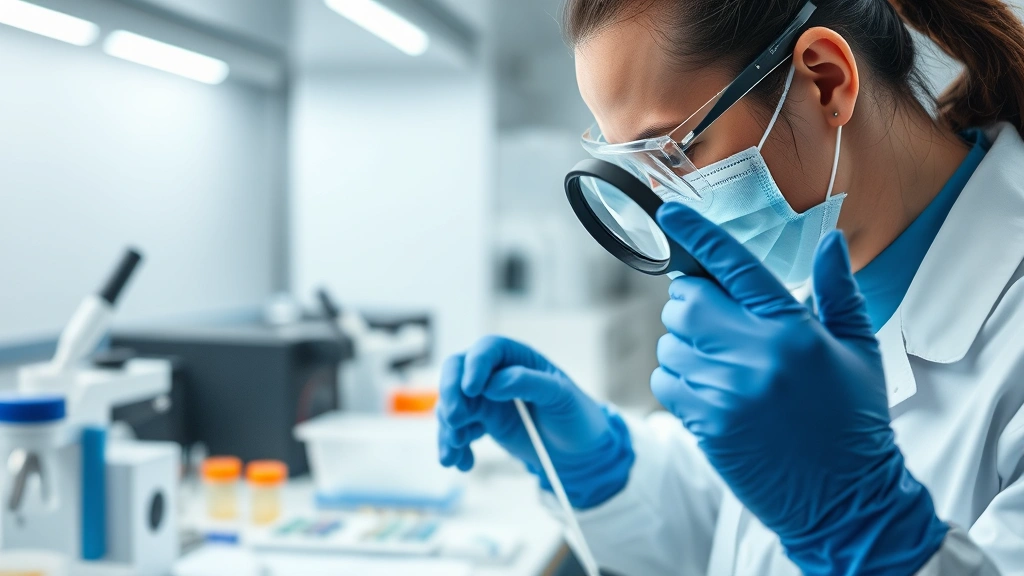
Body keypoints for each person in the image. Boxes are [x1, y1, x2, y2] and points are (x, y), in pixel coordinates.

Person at [437, 0, 1024, 574]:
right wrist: (600, 464)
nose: (667, 202)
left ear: (825, 80)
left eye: (680, 151)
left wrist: (865, 530)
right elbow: (738, 524)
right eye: (638, 169)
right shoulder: (804, 267)